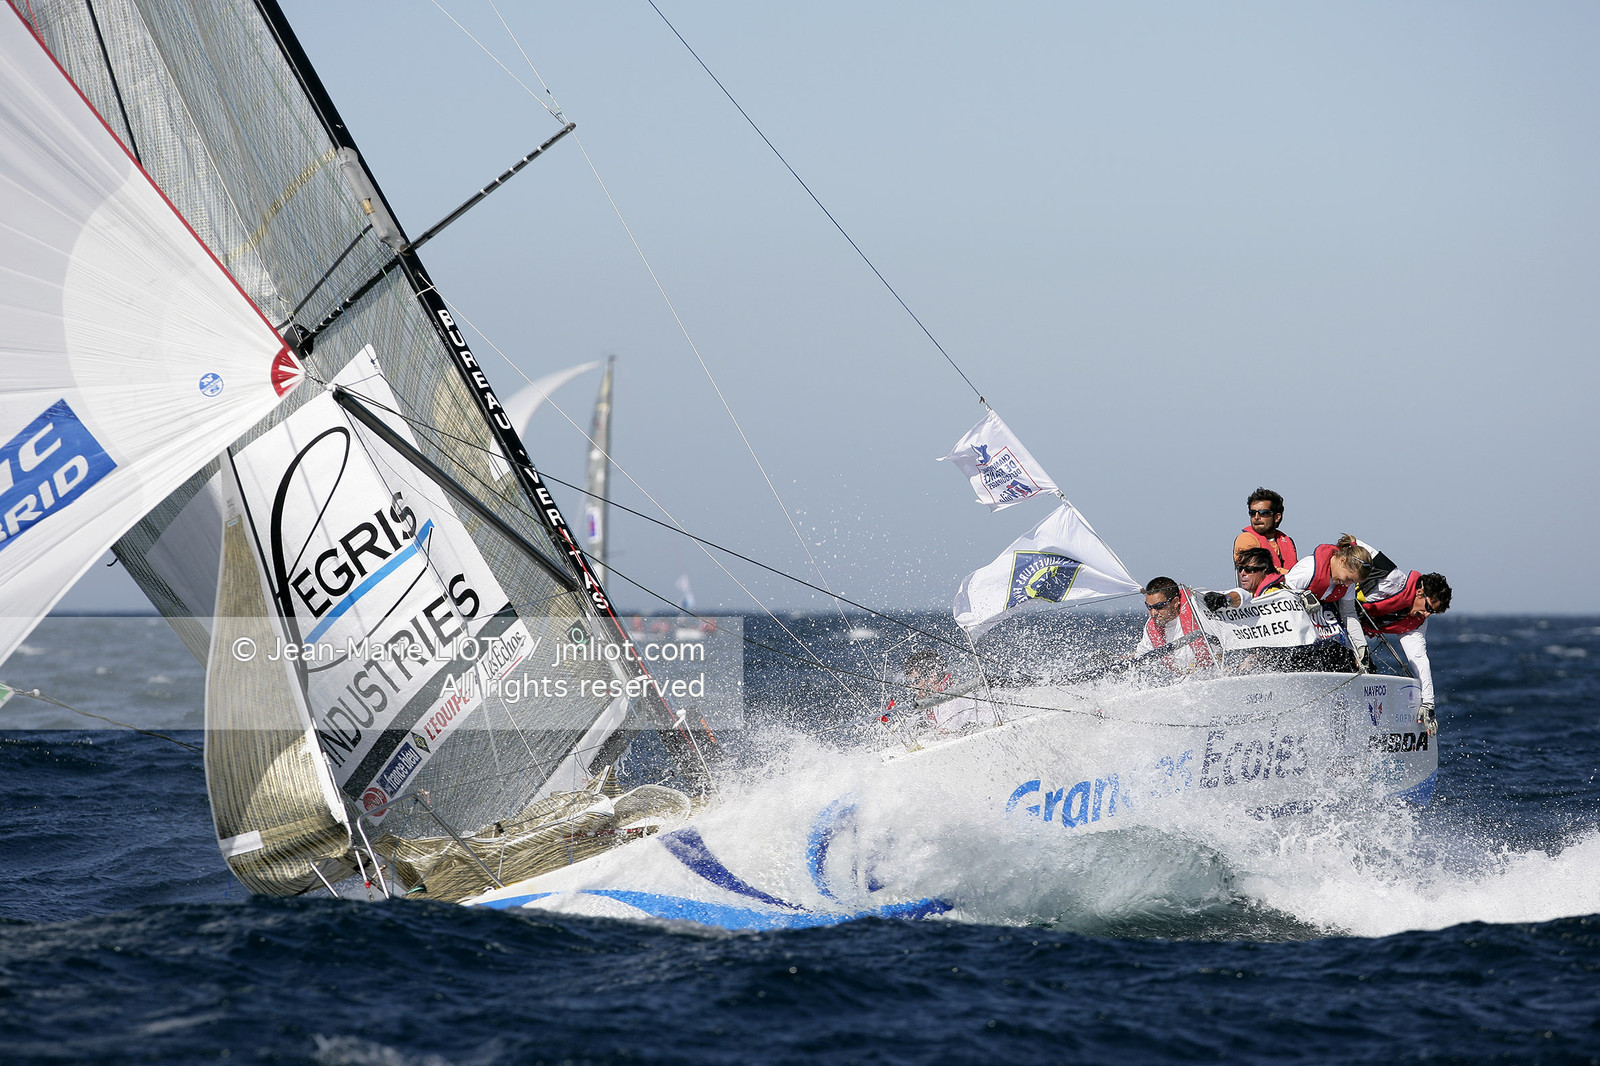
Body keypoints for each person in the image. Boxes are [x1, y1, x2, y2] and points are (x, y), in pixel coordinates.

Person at [1357, 557, 1452, 733]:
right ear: (1419, 593)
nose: (1427, 615)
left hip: (1353, 632)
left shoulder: (1417, 622)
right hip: (1329, 613)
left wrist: (1428, 704)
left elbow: (1419, 659)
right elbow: (1356, 550)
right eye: (1429, 608)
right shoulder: (1392, 580)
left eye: (1434, 613)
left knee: (1365, 668)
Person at [1133, 577, 1216, 674]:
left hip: (1215, 673)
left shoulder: (1197, 609)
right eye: (1149, 607)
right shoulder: (1151, 626)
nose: (1153, 613)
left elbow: (1237, 597)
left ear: (1175, 602)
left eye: (1159, 606)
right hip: (1185, 682)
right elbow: (1139, 656)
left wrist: (1227, 599)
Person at [897, 649, 993, 732]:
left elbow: (946, 736)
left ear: (932, 675)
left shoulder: (952, 699)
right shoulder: (937, 697)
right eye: (910, 682)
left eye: (916, 680)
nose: (912, 686)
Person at [1232, 488, 1297, 573]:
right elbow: (1256, 568)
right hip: (1261, 586)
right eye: (1252, 513)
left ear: (1277, 517)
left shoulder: (1288, 541)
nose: (1256, 517)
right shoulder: (1245, 539)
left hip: (1290, 585)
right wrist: (1295, 576)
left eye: (1264, 513)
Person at [1202, 546, 1288, 610]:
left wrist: (1225, 600)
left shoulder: (1275, 594)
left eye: (1249, 569)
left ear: (1265, 570)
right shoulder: (1251, 594)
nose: (1242, 573)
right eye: (1240, 569)